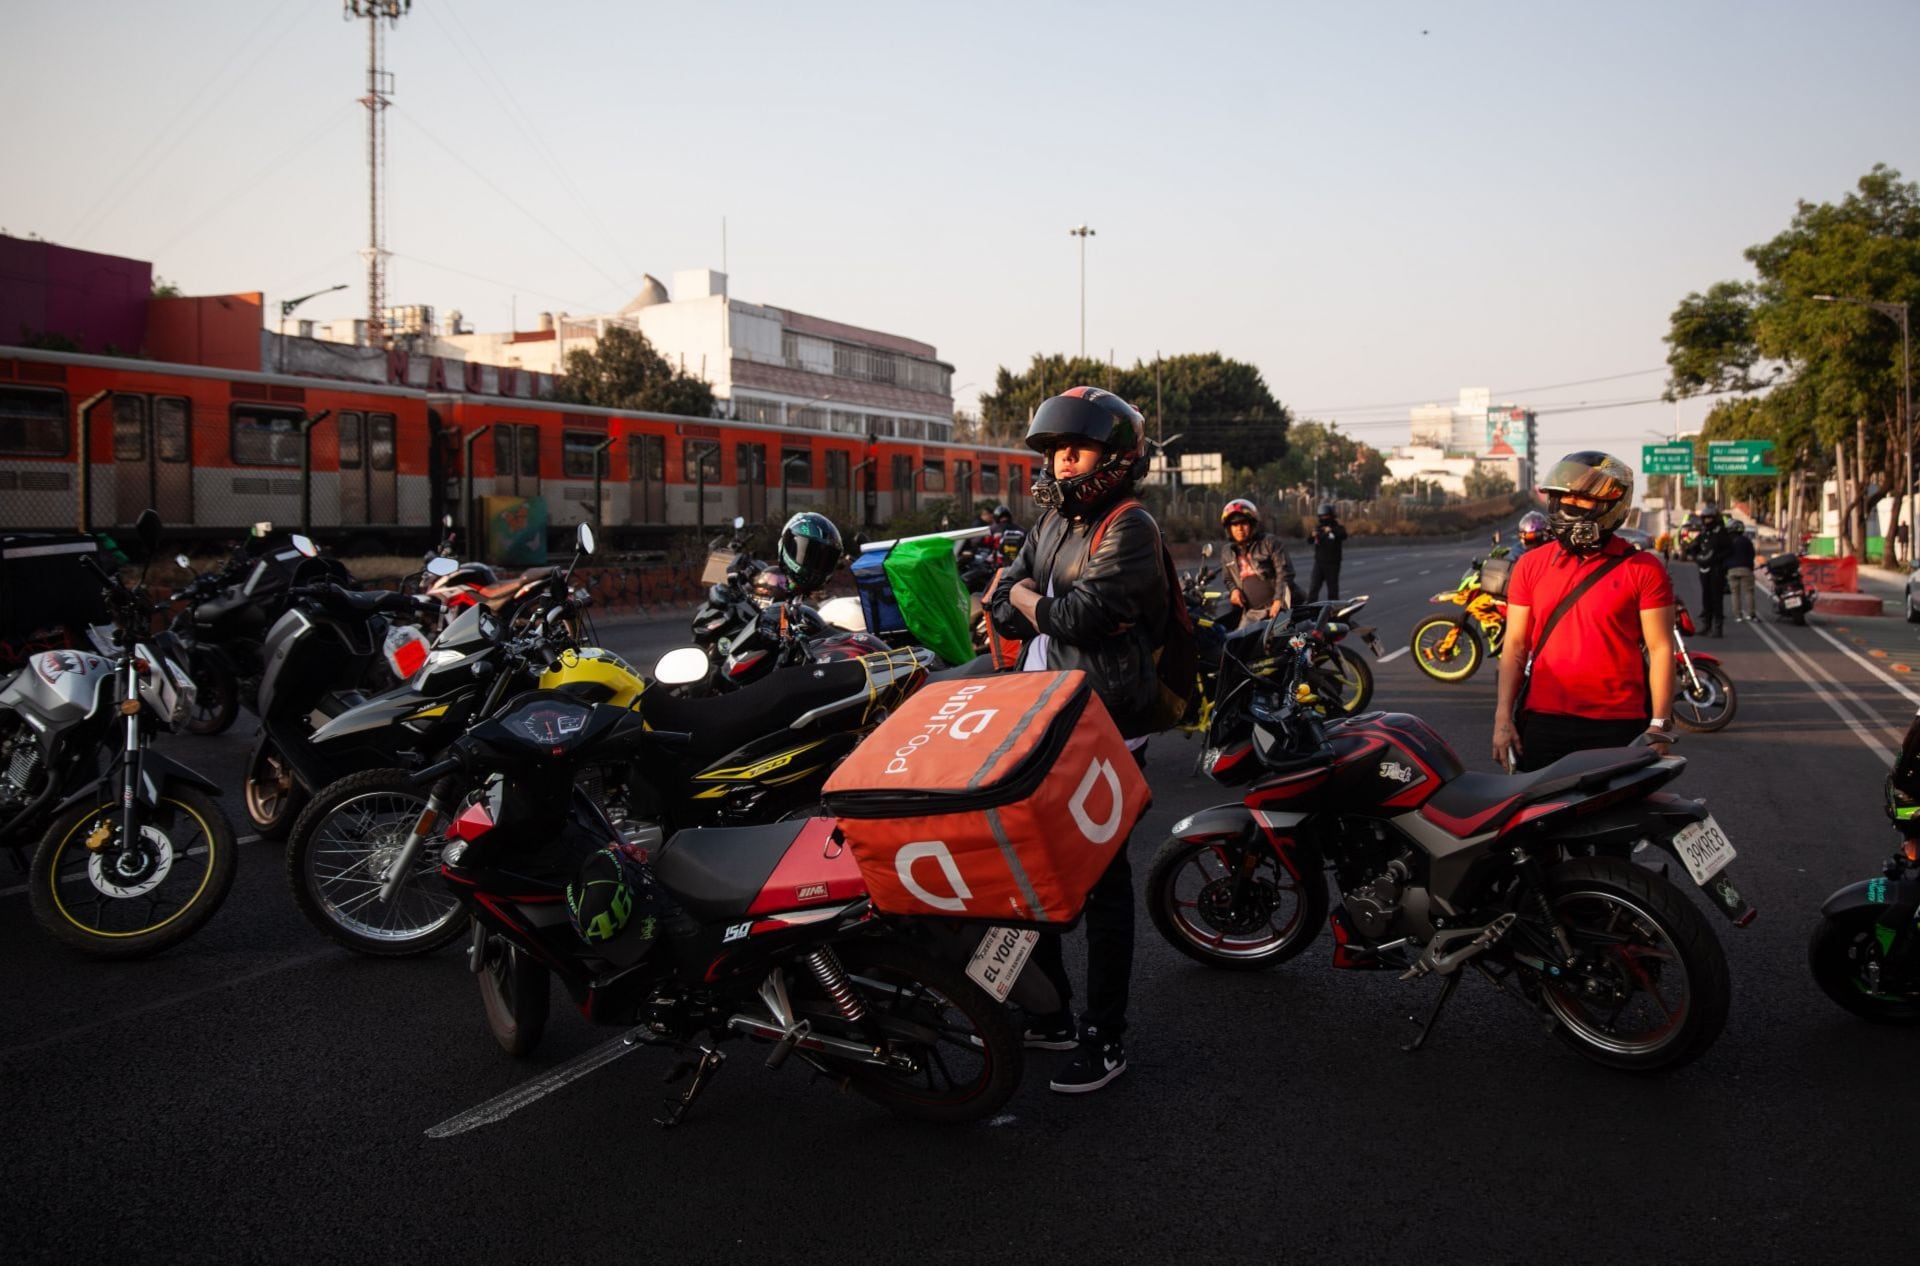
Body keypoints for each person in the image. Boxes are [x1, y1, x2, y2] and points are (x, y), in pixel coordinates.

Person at [989, 386, 1168, 1094]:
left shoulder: (1130, 527)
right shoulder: (1052, 523)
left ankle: (1105, 1033)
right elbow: (1005, 600)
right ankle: (1056, 1013)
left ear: (1118, 458)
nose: (1062, 461)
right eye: (1055, 449)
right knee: (1034, 872)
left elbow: (1081, 617)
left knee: (1102, 885)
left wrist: (1031, 602)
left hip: (1105, 724)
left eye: (1077, 448)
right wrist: (1031, 602)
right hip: (1042, 716)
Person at [1491, 451, 1677, 774]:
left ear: (1610, 506)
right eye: (1565, 496)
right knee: (1538, 821)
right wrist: (1502, 717)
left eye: (1583, 498)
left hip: (1618, 725)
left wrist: (1660, 723)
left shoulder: (1643, 569)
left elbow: (1662, 649)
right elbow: (1515, 646)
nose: (1570, 505)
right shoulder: (1530, 565)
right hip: (1543, 722)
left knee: (1618, 823)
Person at [1220, 498, 1295, 622]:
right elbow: (1228, 579)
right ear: (1229, 529)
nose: (1239, 529)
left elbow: (1285, 572)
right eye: (1234, 525)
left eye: (1243, 523)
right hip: (1252, 613)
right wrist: (1234, 590)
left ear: (1252, 524)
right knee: (1236, 640)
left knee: (1292, 640)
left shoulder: (1269, 542)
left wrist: (1279, 600)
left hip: (1280, 608)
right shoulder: (1227, 552)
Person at [1688, 504, 1731, 637]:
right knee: (1706, 597)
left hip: (1717, 570)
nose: (1707, 521)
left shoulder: (1720, 532)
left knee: (1716, 598)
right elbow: (1693, 547)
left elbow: (1729, 550)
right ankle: (1706, 625)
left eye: (1710, 518)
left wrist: (1715, 558)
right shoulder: (1704, 532)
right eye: (1705, 518)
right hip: (1704, 569)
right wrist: (1697, 557)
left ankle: (1717, 627)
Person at [1307, 503, 1347, 601]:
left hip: (1333, 563)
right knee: (1313, 588)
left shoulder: (1338, 528)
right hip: (1319, 562)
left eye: (1326, 516)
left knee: (1332, 589)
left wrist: (1331, 531)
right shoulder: (1319, 528)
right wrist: (1313, 535)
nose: (1324, 518)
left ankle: (1333, 610)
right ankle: (1310, 609)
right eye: (1322, 516)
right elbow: (1309, 540)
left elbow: (1343, 535)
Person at [1724, 520, 1757, 622]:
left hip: (1731, 570)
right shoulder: (1746, 541)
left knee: (1735, 593)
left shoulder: (1727, 542)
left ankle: (1738, 615)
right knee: (1749, 592)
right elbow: (1752, 554)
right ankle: (1751, 614)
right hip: (1746, 569)